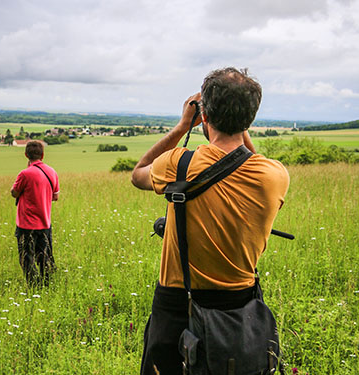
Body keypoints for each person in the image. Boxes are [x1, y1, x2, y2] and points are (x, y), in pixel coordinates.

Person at [131, 67, 290, 375]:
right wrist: (237, 123)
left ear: (203, 115)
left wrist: (181, 127)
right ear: (251, 119)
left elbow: (139, 174)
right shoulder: (273, 176)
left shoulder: (178, 164)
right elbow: (251, 158)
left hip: (178, 306)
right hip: (241, 309)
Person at [11, 140, 60, 287]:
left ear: (26, 154)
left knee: (27, 258)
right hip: (45, 222)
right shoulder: (52, 172)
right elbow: (55, 196)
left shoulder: (24, 174)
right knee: (45, 257)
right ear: (43, 155)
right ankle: (48, 285)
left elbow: (15, 193)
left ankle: (34, 287)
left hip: (26, 224)